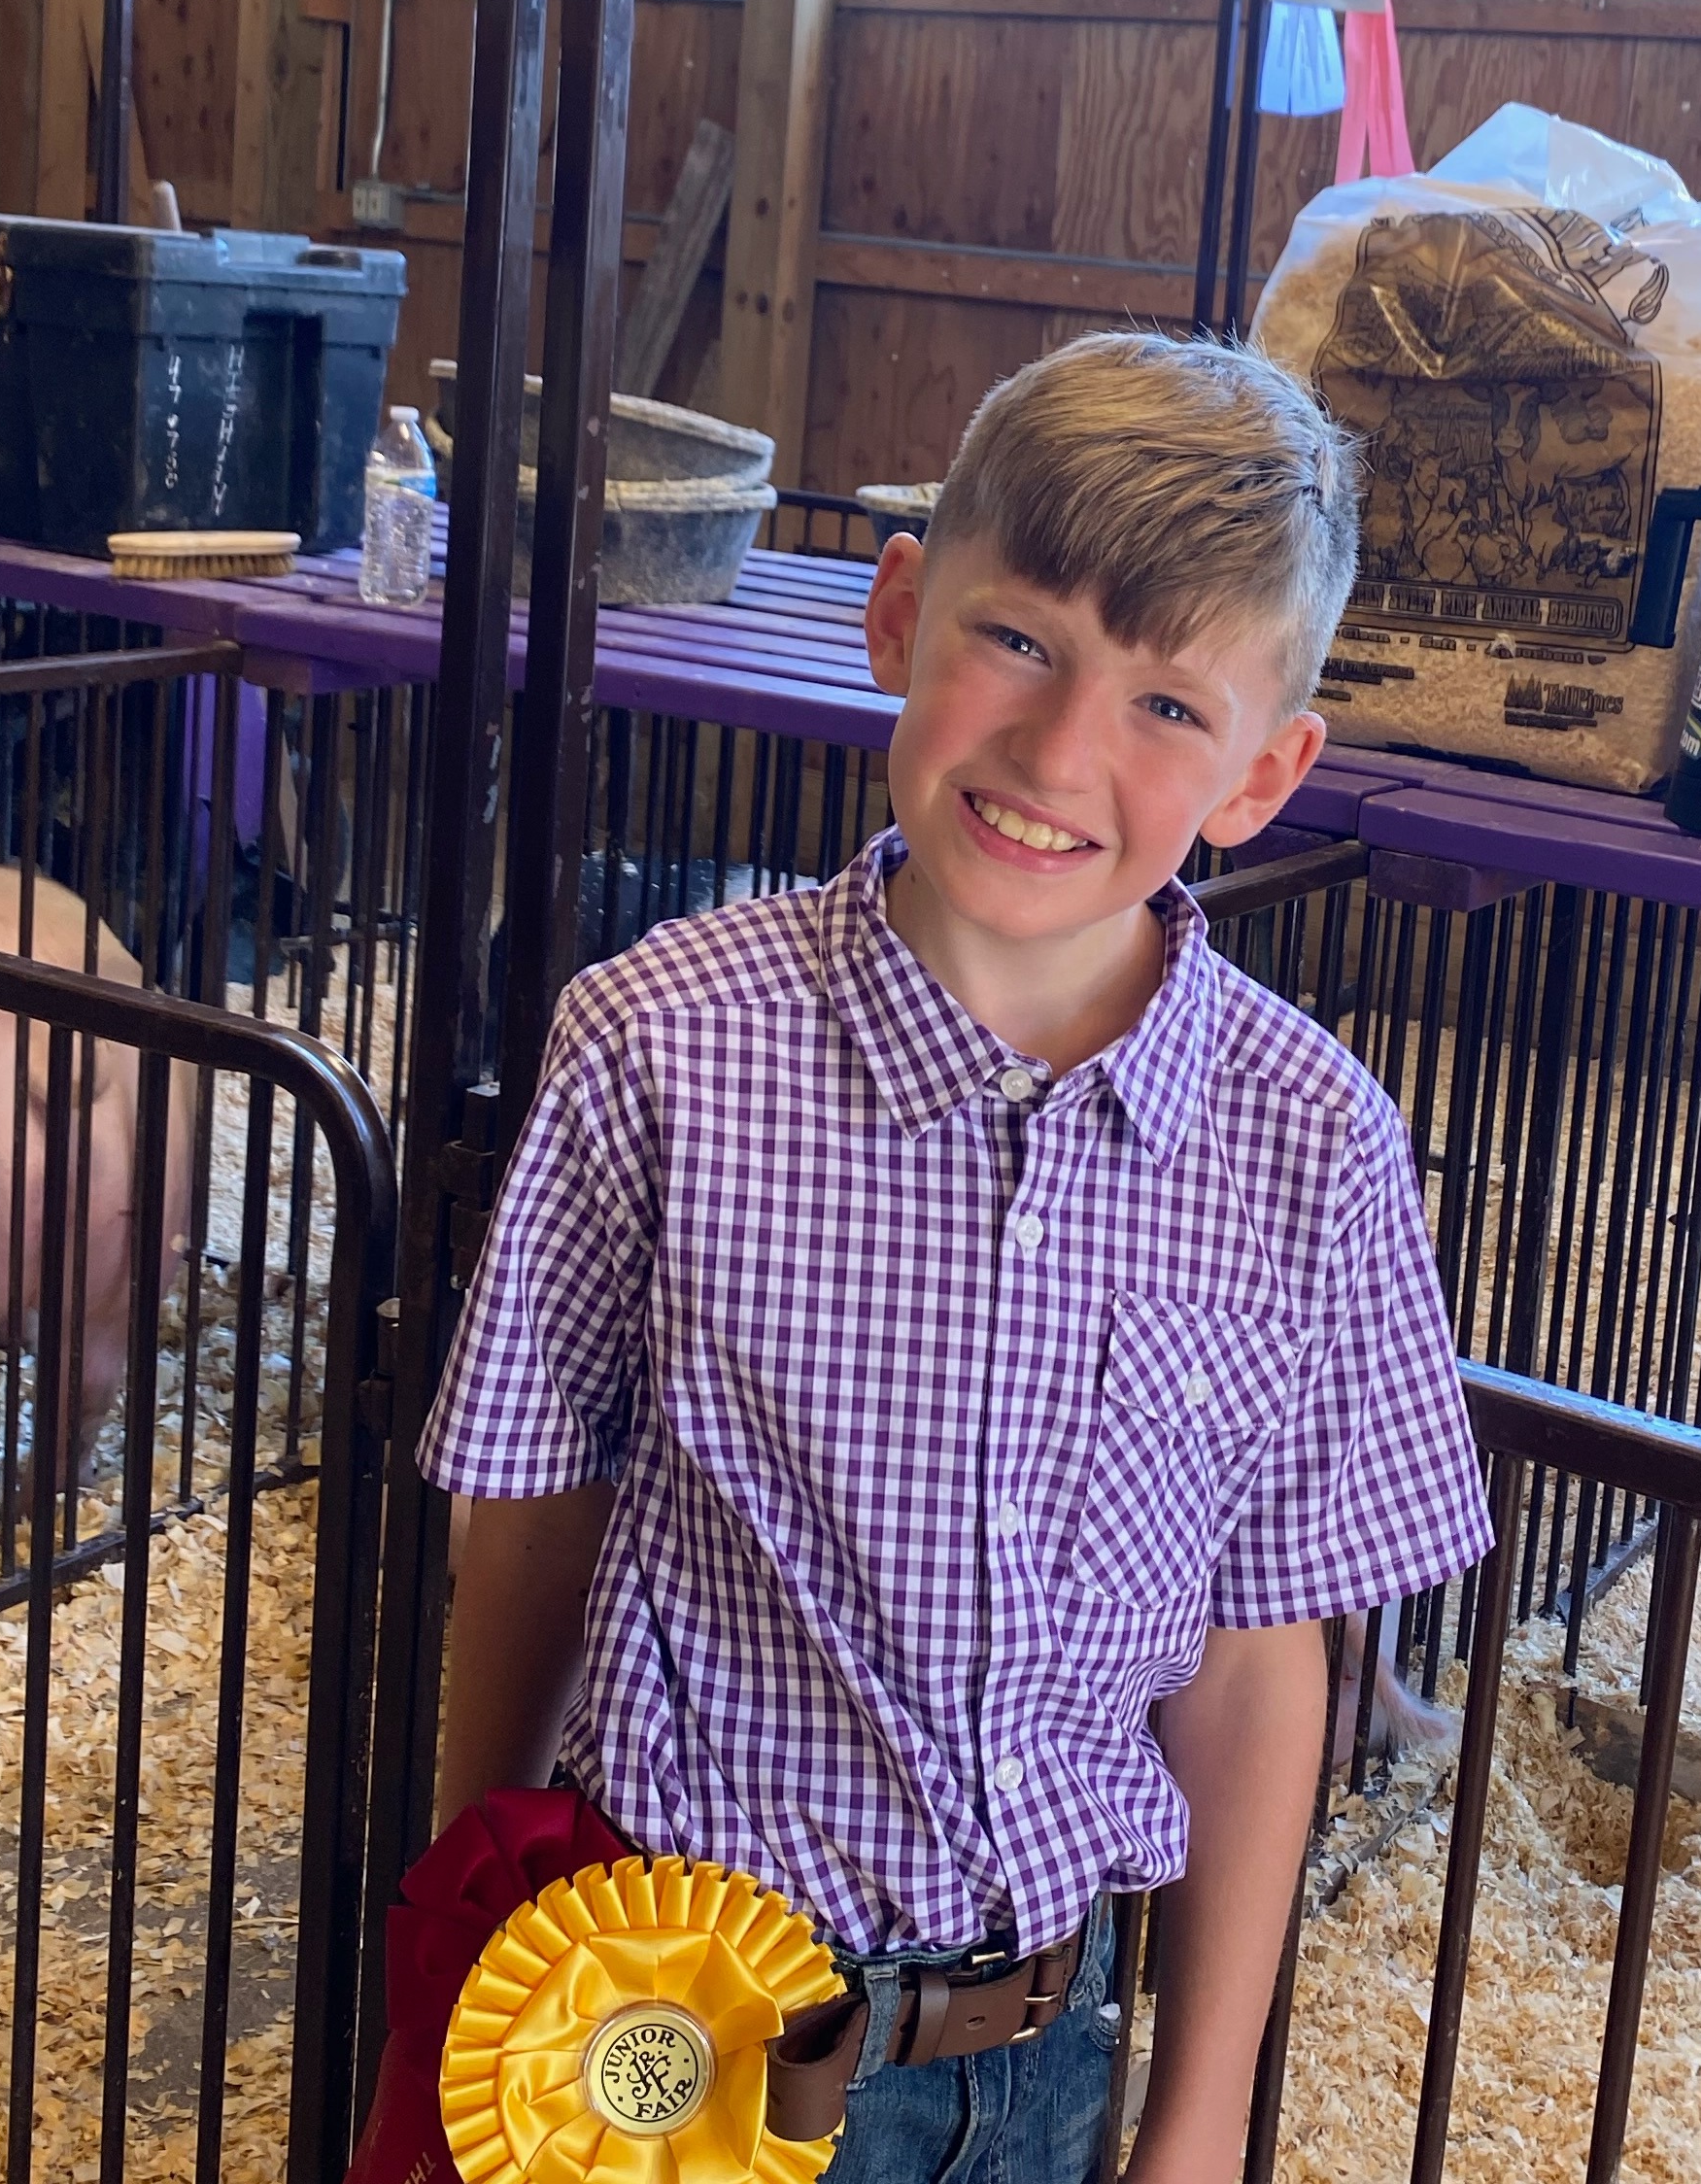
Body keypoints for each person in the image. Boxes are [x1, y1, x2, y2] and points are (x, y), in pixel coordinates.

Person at [421, 332, 1489, 2184]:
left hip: (1037, 2050)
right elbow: (532, 1513)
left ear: (1264, 770)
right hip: (653, 2005)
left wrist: (1198, 2120)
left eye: (1169, 706)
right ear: (898, 612)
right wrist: (461, 1919)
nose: (1062, 748)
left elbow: (1256, 1669)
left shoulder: (1314, 1141)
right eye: (1018, 638)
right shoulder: (657, 1042)